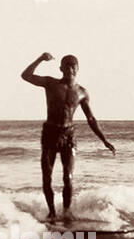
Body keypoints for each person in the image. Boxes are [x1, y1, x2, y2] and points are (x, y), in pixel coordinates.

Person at [20, 52, 115, 221]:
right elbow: (25, 76)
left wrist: (104, 139)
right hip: (50, 132)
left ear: (77, 69)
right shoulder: (51, 83)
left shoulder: (82, 93)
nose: (70, 69)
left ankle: (66, 212)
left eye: (73, 66)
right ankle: (52, 212)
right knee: (47, 176)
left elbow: (91, 118)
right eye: (67, 65)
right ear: (61, 68)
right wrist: (41, 59)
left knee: (68, 176)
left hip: (68, 135)